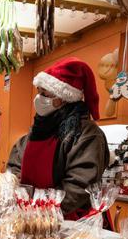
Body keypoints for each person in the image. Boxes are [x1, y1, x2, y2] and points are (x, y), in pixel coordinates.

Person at [7, 57, 110, 218]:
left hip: (70, 221)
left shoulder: (86, 134)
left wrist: (43, 210)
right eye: (39, 93)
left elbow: (79, 185)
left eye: (44, 94)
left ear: (63, 98)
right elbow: (15, 166)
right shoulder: (37, 130)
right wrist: (17, 194)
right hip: (31, 217)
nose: (39, 98)